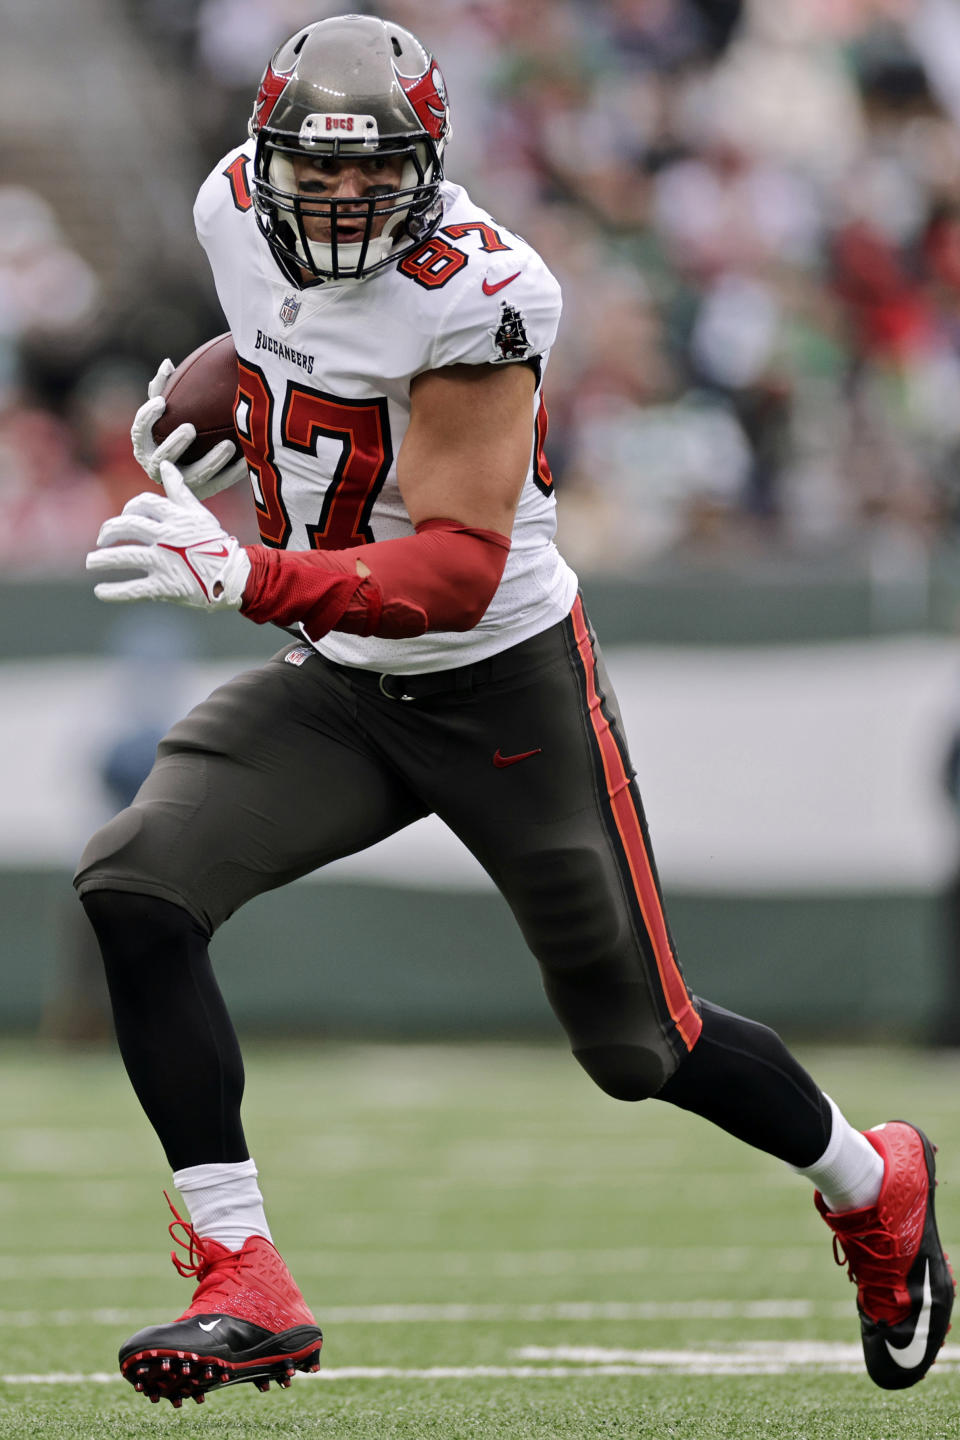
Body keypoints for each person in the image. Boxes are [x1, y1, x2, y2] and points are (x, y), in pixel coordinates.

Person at [75, 13, 952, 1409]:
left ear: (436, 167)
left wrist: (248, 570)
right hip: (345, 686)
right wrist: (228, 382)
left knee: (638, 1045)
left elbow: (456, 564)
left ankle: (874, 1181)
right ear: (261, 157)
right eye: (320, 174)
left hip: (499, 679)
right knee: (135, 882)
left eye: (381, 178)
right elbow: (282, 331)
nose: (348, 204)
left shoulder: (481, 290)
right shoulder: (232, 208)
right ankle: (244, 1272)